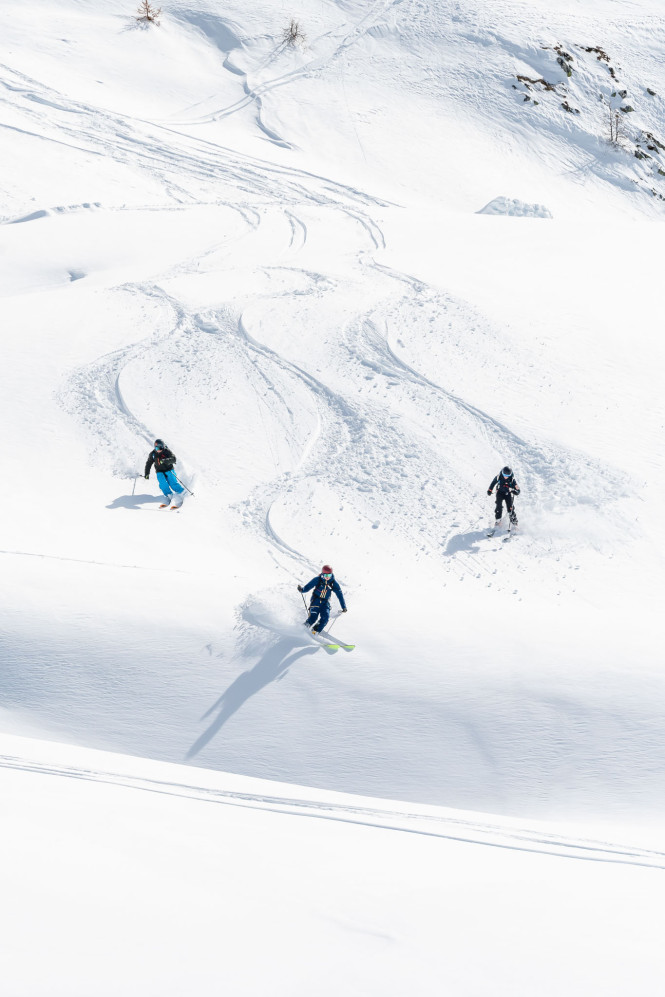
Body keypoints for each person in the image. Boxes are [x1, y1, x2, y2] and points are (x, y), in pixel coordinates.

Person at [298, 565, 347, 634]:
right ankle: (301, 630)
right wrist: (302, 590)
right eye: (326, 575)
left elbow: (339, 594)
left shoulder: (333, 583)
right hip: (316, 601)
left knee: (325, 618)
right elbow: (308, 586)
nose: (327, 577)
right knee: (313, 618)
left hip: (325, 603)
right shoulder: (318, 579)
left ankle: (314, 632)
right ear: (323, 574)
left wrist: (343, 607)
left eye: (329, 575)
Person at [144, 439, 185, 508]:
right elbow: (148, 463)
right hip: (159, 471)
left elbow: (174, 459)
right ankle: (169, 495)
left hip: (169, 469)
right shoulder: (153, 454)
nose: (158, 450)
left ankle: (181, 493)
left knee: (172, 482)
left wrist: (165, 461)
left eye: (160, 448)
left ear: (163, 447)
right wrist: (147, 473)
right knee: (162, 483)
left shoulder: (167, 451)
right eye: (156, 448)